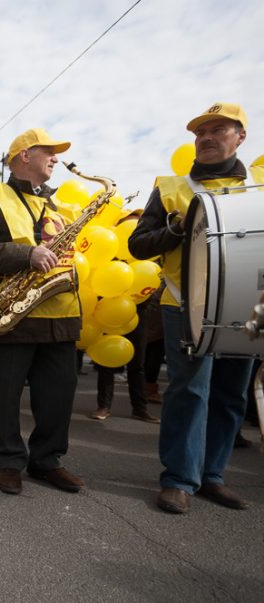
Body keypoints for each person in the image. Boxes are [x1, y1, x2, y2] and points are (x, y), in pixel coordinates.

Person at [128, 102, 262, 514]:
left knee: (230, 395)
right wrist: (174, 229)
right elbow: (138, 244)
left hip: (246, 304)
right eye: (200, 132)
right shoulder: (171, 187)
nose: (205, 137)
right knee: (189, 391)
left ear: (240, 136)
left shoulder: (258, 187)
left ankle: (212, 476)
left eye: (217, 129)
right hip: (184, 304)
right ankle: (179, 479)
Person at [0, 128, 84, 495]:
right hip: (11, 315)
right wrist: (25, 255)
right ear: (24, 156)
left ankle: (47, 461)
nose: (56, 159)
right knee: (6, 397)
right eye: (49, 151)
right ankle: (11, 462)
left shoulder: (60, 206)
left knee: (58, 398)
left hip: (60, 316)